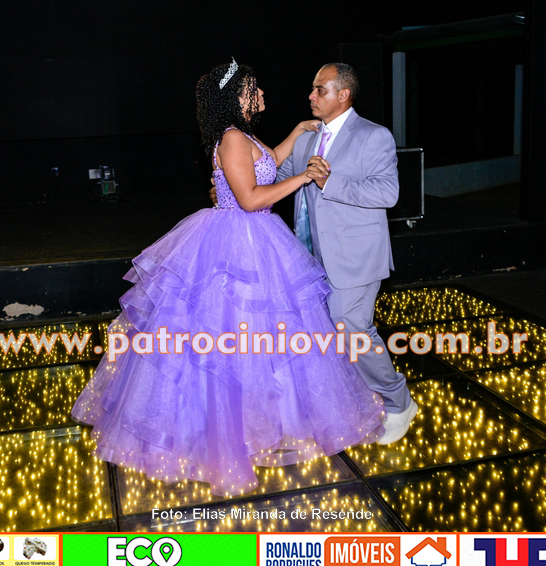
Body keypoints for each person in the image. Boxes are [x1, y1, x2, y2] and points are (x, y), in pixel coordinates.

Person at [71, 60, 384, 496]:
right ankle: (227, 437)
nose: (262, 94)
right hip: (237, 245)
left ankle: (259, 427)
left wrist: (296, 133)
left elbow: (268, 162)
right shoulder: (233, 137)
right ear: (237, 96)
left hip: (256, 240)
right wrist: (304, 177)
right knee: (234, 344)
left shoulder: (245, 136)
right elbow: (252, 199)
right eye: (254, 88)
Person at [276, 63, 416, 444]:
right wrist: (233, 180)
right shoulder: (307, 139)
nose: (311, 96)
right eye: (312, 88)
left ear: (344, 95)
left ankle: (399, 402)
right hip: (311, 259)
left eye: (320, 89)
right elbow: (277, 178)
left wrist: (330, 181)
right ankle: (358, 403)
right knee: (331, 337)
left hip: (356, 258)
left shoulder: (373, 136)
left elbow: (388, 193)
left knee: (350, 329)